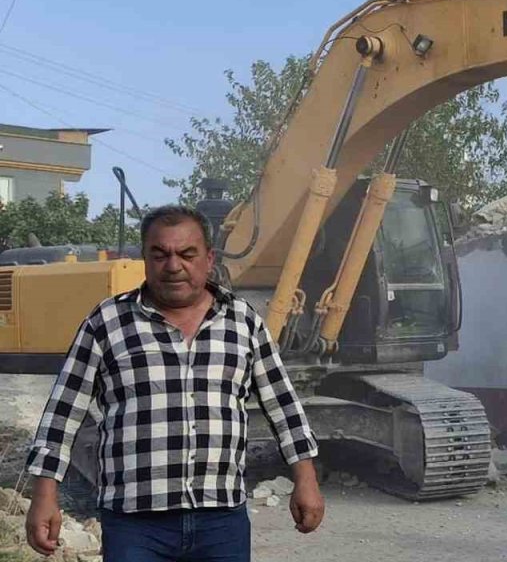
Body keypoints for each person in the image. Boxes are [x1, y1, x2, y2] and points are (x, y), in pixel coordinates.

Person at [23, 205, 325, 561]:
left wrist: (306, 479)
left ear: (208, 258)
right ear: (145, 259)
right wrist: (44, 495)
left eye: (187, 254)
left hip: (221, 520)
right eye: (160, 254)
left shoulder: (243, 322)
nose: (173, 265)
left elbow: (283, 406)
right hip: (135, 524)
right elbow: (62, 413)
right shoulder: (107, 322)